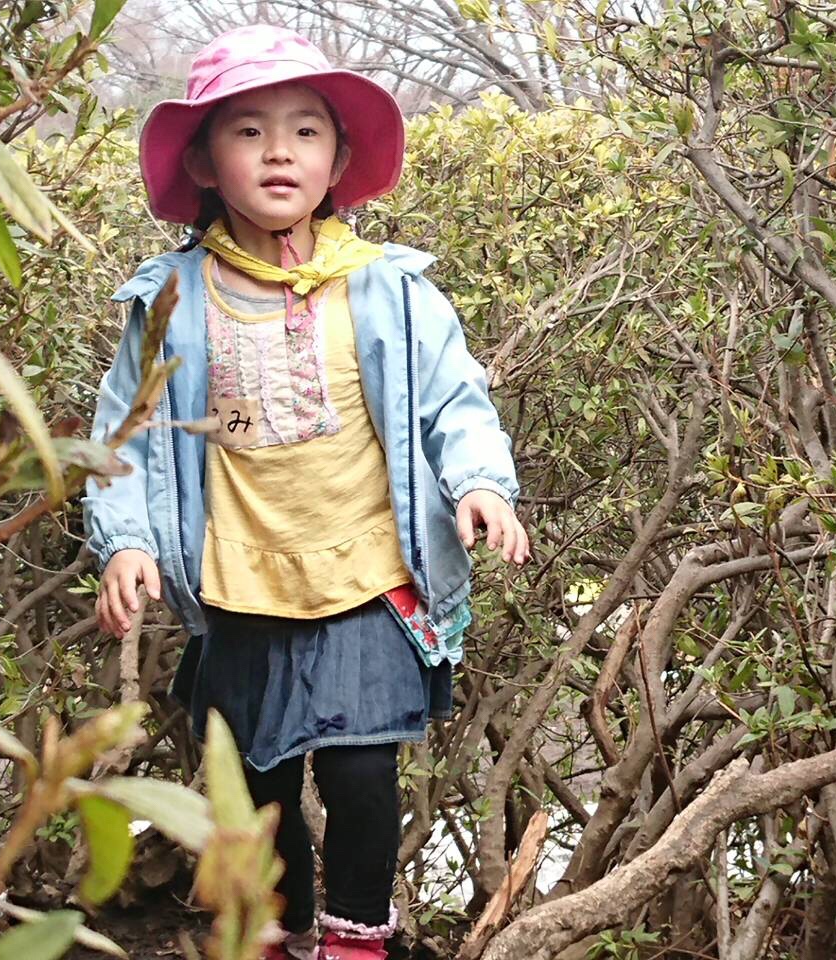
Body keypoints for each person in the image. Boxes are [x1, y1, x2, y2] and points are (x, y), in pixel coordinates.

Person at [82, 25, 528, 960]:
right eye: (248, 131)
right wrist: (124, 540)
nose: (279, 151)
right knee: (260, 785)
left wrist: (480, 483)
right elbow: (126, 430)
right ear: (203, 161)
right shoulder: (173, 299)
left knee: (363, 774)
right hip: (242, 580)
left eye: (305, 131)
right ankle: (279, 935)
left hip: (366, 571)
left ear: (339, 160)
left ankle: (359, 937)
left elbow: (454, 399)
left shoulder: (388, 290)